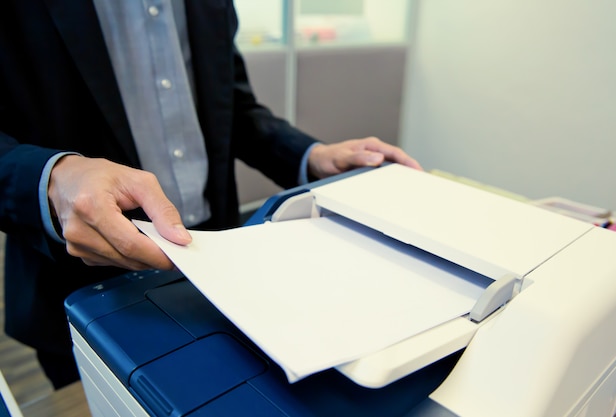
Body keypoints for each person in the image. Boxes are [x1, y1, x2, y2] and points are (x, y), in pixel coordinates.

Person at [0, 0, 421, 390]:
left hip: (213, 269)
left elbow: (231, 108)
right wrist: (52, 178)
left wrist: (312, 156)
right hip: (76, 285)